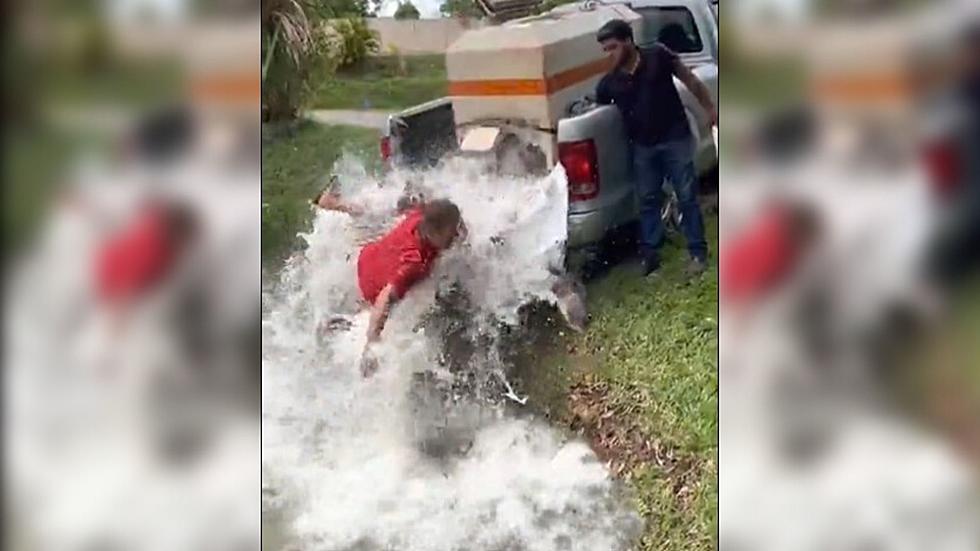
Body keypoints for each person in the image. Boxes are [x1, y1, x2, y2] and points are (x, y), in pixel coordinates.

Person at [595, 19, 717, 276]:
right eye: (605, 50)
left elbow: (691, 81)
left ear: (628, 41)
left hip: (675, 138)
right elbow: (598, 113)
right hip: (642, 147)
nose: (609, 54)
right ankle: (651, 257)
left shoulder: (658, 56)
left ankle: (698, 252)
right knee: (648, 201)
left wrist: (710, 109)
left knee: (687, 196)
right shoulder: (609, 83)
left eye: (613, 47)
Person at [313, 189, 467, 377]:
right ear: (434, 232)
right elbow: (384, 298)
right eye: (451, 233)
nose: (457, 235)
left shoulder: (419, 216)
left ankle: (335, 204)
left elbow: (424, 205)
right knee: (395, 307)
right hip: (373, 284)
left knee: (386, 215)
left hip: (370, 253)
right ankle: (341, 323)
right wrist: (371, 346)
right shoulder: (415, 262)